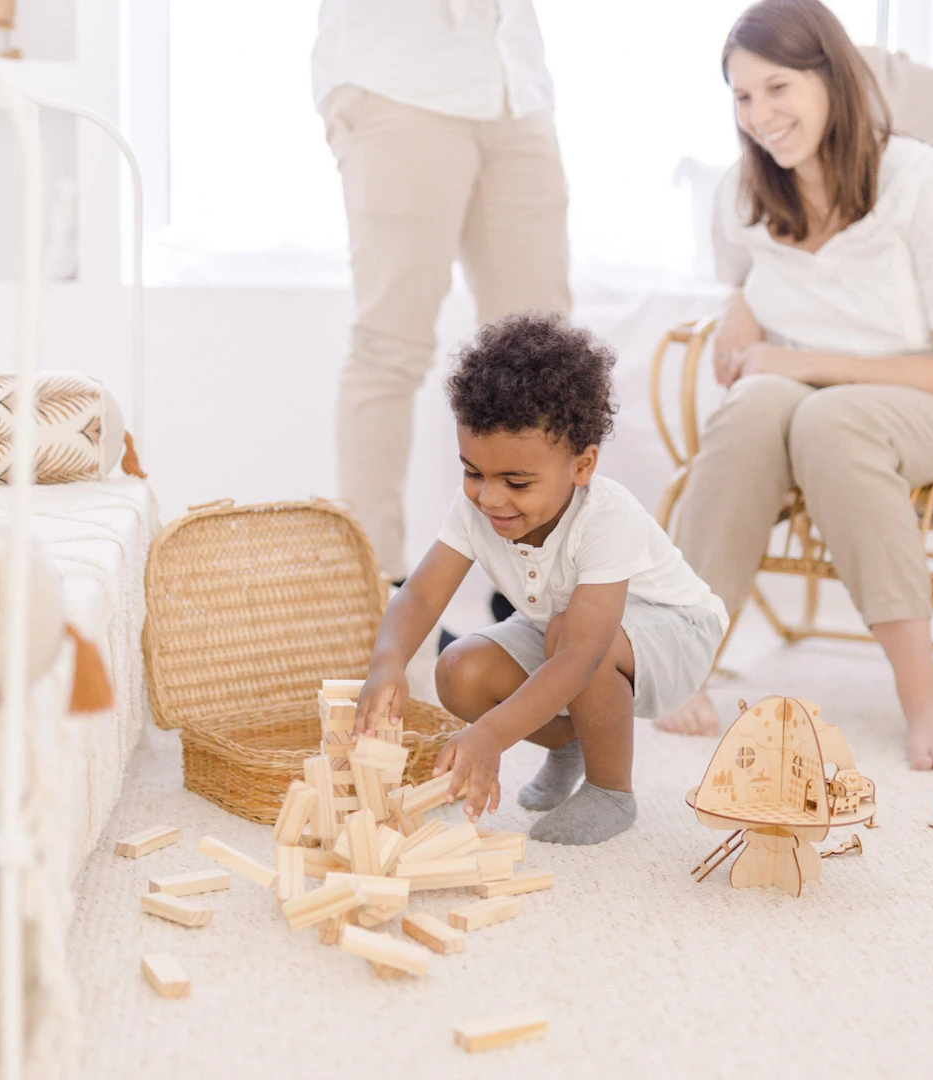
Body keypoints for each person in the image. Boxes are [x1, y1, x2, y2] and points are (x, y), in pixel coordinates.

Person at [655, 0, 933, 773]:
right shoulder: (743, 197)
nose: (760, 116)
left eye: (778, 88)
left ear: (830, 77)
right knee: (752, 407)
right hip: (803, 409)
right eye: (742, 97)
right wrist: (735, 303)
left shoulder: (918, 180)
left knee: (828, 419)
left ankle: (922, 691)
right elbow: (746, 286)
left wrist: (805, 363)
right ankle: (687, 659)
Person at [353, 314, 728, 845]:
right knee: (459, 670)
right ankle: (573, 741)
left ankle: (610, 789)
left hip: (676, 634)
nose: (490, 497)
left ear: (582, 465)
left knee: (567, 639)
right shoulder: (476, 507)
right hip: (571, 633)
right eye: (473, 471)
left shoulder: (606, 517)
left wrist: (493, 736)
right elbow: (420, 592)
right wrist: (387, 662)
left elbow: (579, 652)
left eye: (517, 482)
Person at [312, 0, 571, 587]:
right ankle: (377, 597)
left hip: (514, 82)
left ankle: (538, 589)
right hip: (398, 77)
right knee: (389, 347)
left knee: (544, 359)